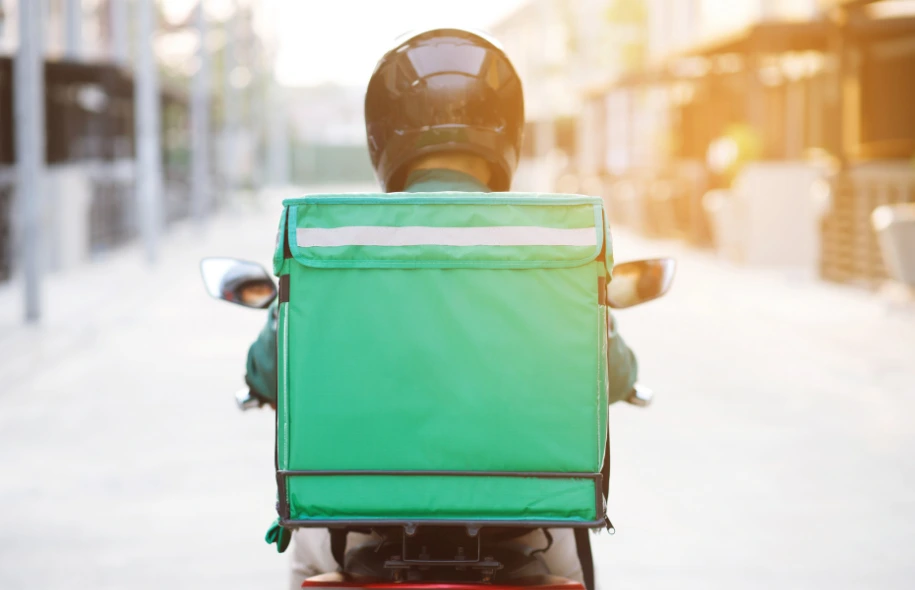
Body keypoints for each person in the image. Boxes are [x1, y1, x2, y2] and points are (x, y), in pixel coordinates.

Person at [244, 27, 638, 590]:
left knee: (309, 558)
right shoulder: (549, 243)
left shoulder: (339, 243)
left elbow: (266, 368)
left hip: (364, 538)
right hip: (525, 535)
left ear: (380, 136)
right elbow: (615, 371)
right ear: (509, 133)